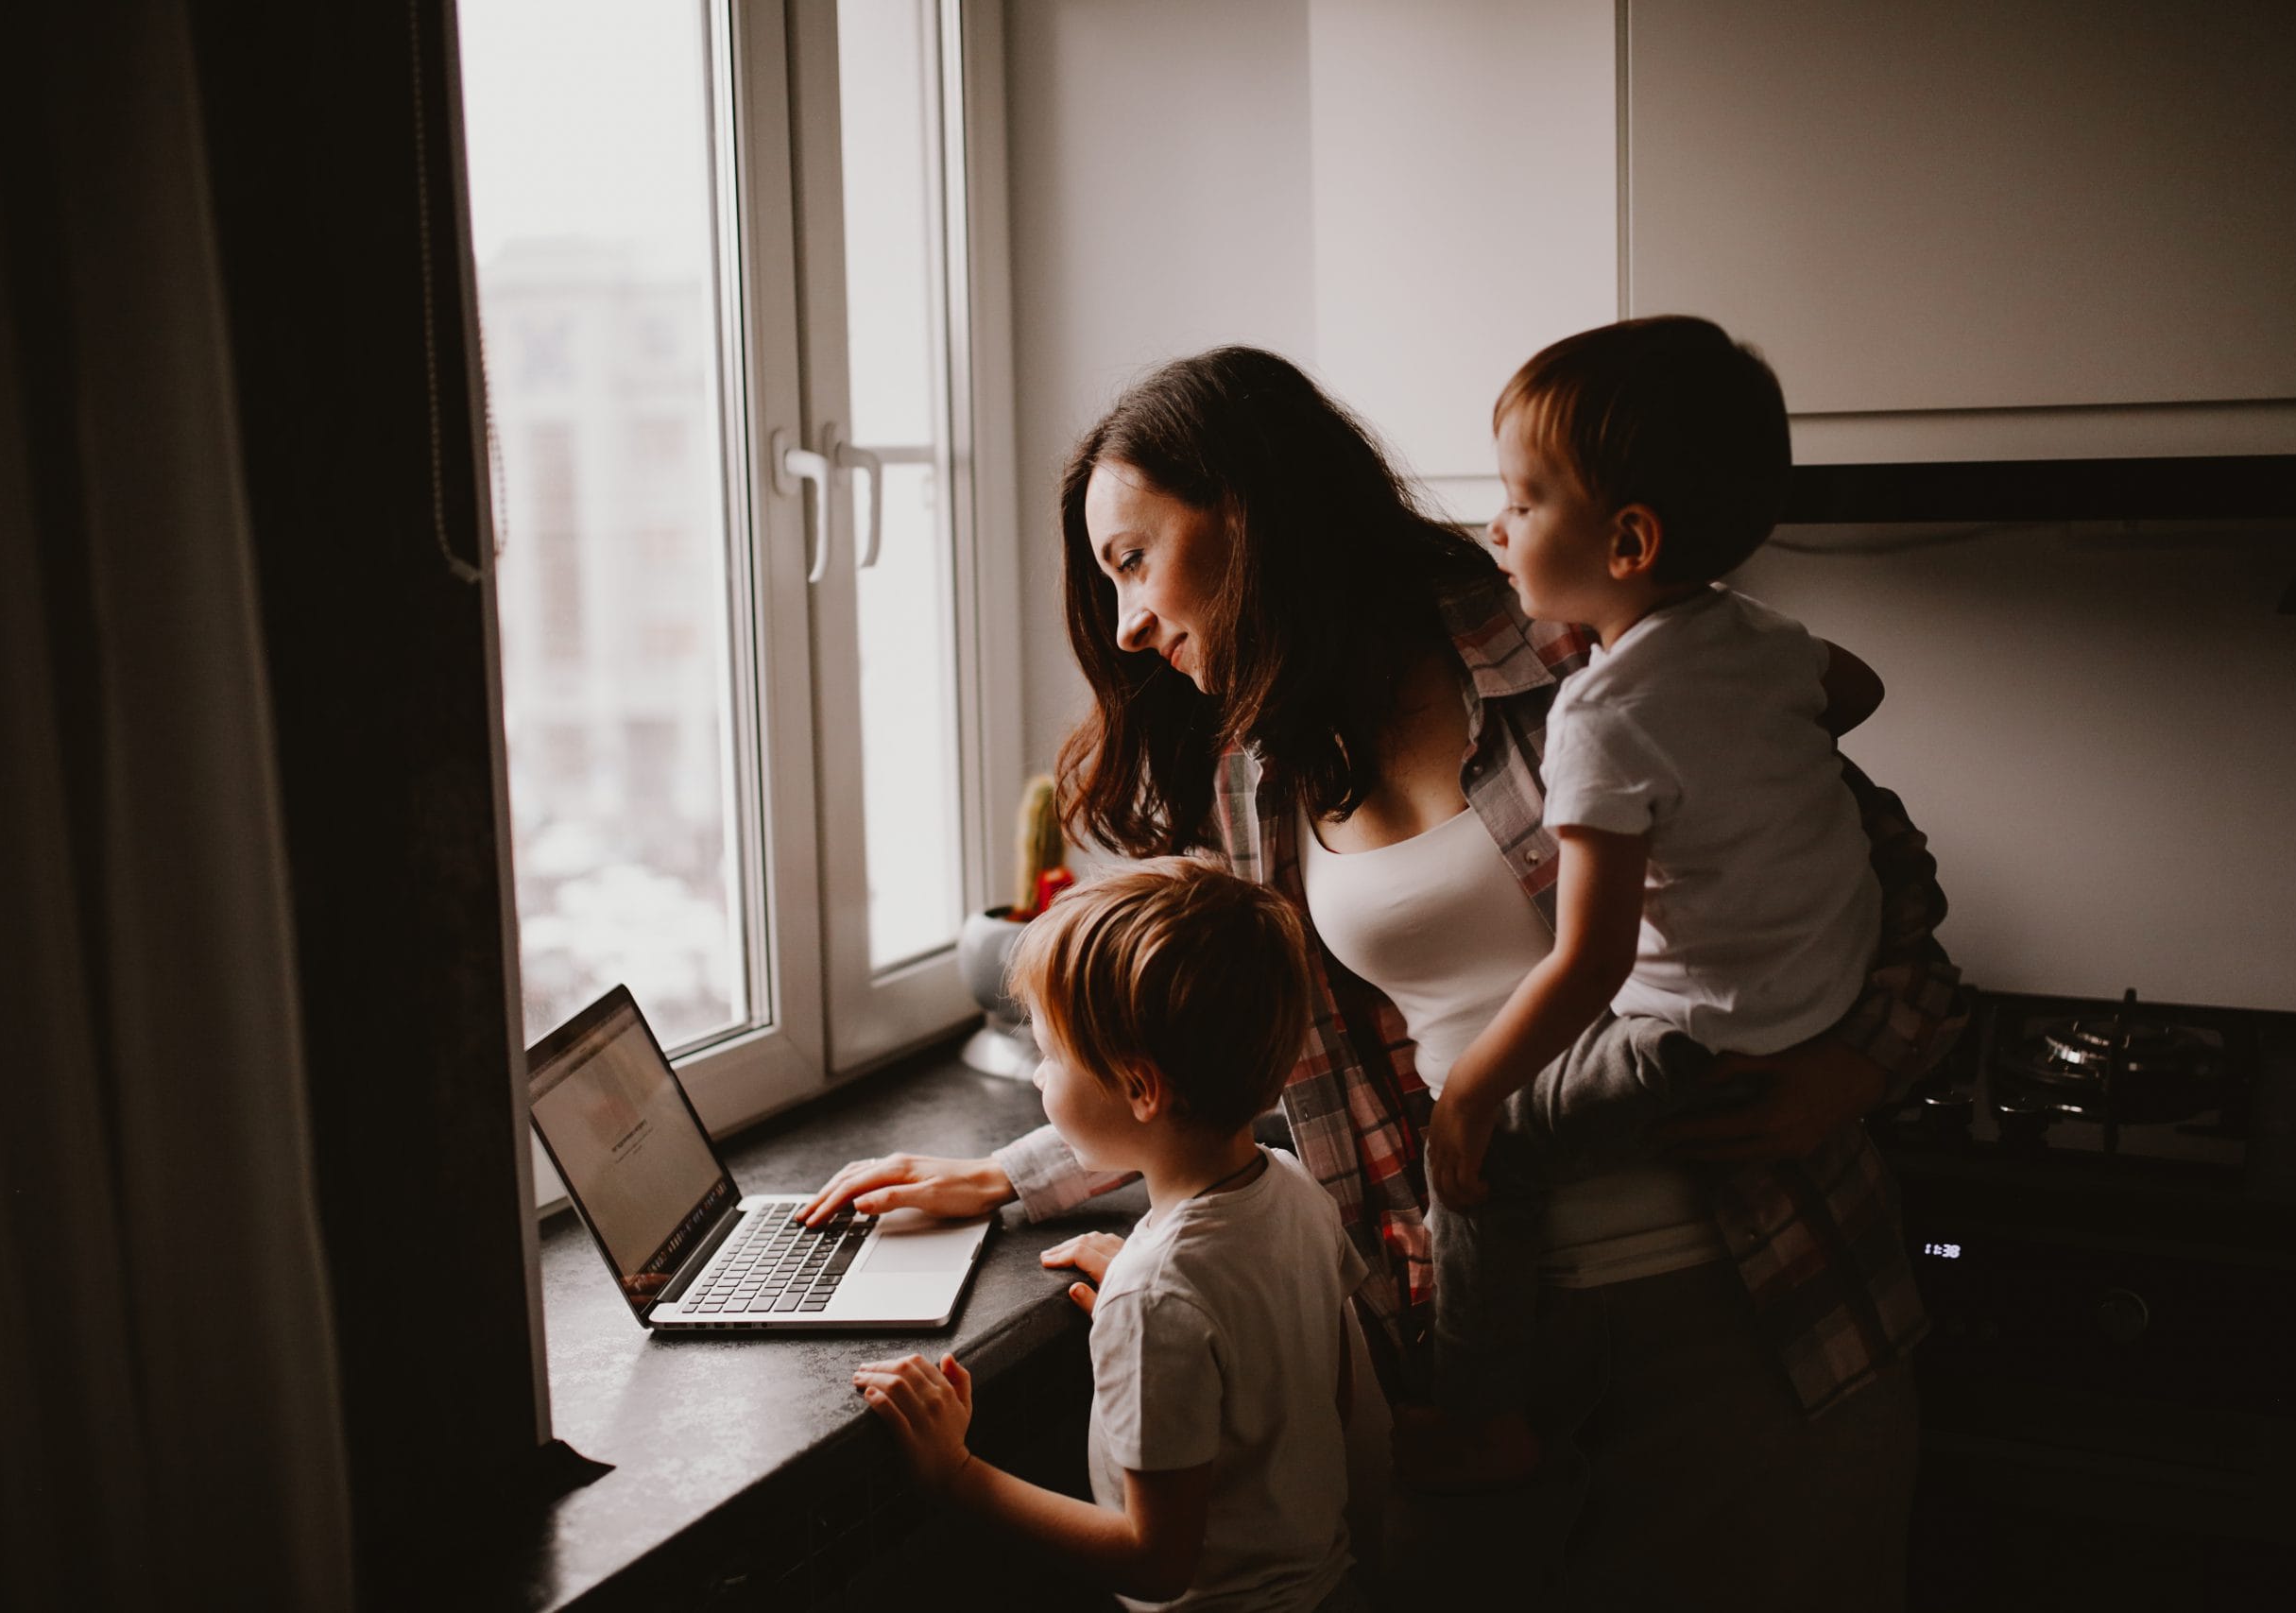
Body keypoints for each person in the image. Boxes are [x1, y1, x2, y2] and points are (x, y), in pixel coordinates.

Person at [807, 341, 1966, 1606]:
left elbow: (1896, 892)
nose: (1129, 621)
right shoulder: (1259, 769)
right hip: (1476, 1350)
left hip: (1751, 1309)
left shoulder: (1593, 648)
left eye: (1134, 557)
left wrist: (1850, 1070)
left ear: (1246, 510)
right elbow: (1208, 1040)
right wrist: (1016, 1174)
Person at [1413, 317, 1890, 1488]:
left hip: (1701, 1035)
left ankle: (1477, 1412)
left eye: (1521, 502)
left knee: (1487, 1165)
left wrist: (1468, 1094)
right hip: (1821, 991)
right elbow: (1860, 688)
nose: (1495, 529)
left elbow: (1589, 962)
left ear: (1625, 542)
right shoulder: (1762, 638)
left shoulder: (1602, 713)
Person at [853, 859, 1369, 1613]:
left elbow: (1155, 1561)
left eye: (1052, 1056)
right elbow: (1321, 1400)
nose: (1037, 1078)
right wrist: (1175, 1331)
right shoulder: (1292, 1186)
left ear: (1140, 1088)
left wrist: (953, 1473)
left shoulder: (1155, 1297)